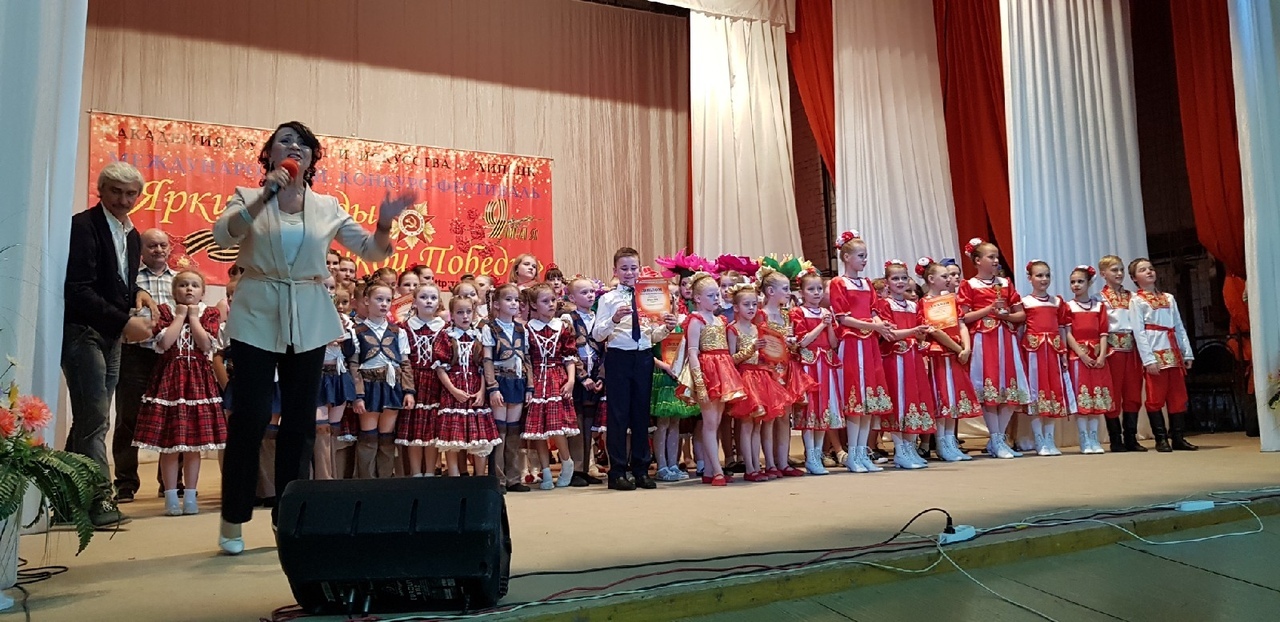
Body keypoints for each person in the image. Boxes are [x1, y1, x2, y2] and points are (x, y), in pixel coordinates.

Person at [211, 120, 415, 555]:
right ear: (269, 153)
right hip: (256, 310)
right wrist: (266, 194)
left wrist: (383, 224)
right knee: (251, 416)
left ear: (311, 158)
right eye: (285, 140)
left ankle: (289, 516)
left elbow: (372, 250)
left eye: (303, 143)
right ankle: (234, 516)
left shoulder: (326, 206)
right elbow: (223, 234)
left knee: (301, 420)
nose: (294, 147)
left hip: (307, 311)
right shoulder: (247, 196)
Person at [63, 161, 155, 528]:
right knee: (96, 419)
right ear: (100, 190)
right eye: (116, 191)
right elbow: (77, 289)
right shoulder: (82, 226)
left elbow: (116, 282)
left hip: (111, 336)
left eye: (131, 193)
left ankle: (66, 499)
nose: (124, 199)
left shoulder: (132, 235)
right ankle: (99, 501)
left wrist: (139, 292)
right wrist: (124, 321)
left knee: (90, 418)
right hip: (82, 331)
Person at [132, 270, 225, 516]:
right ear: (174, 291)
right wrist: (180, 316)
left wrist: (193, 318)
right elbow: (164, 343)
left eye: (194, 285)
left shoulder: (209, 313)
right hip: (170, 381)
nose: (189, 289)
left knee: (194, 445)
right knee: (170, 444)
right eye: (183, 285)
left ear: (202, 292)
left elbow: (206, 345)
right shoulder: (165, 312)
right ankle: (171, 496)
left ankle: (191, 495)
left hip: (198, 381)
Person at [590, 248, 677, 490]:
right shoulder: (608, 299)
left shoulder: (650, 297)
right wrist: (614, 319)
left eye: (633, 268)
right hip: (619, 358)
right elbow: (597, 334)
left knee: (641, 414)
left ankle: (641, 470)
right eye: (624, 268)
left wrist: (667, 328)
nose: (629, 273)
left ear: (640, 269)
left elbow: (651, 335)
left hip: (643, 357)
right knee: (618, 415)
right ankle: (617, 472)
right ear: (615, 271)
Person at [113, 228, 175, 503]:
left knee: (173, 418)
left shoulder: (180, 280)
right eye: (152, 245)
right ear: (141, 250)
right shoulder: (131, 280)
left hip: (170, 357)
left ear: (170, 248)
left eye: (163, 245)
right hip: (135, 356)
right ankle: (125, 483)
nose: (158, 250)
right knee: (129, 419)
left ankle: (171, 482)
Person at [956, 238, 1029, 459]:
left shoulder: (1006, 283)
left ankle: (997, 439)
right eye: (991, 257)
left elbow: (1021, 314)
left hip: (1005, 339)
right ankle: (997, 439)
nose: (996, 260)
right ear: (978, 260)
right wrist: (989, 310)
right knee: (990, 391)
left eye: (997, 257)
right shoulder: (969, 285)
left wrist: (1005, 316)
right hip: (983, 341)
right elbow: (963, 317)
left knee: (1009, 391)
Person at [828, 231, 893, 473]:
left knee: (869, 400)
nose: (865, 260)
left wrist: (881, 325)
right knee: (856, 397)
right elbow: (843, 318)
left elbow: (874, 311)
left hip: (869, 344)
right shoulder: (838, 283)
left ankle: (862, 452)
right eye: (861, 256)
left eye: (866, 256)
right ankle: (853, 453)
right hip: (852, 343)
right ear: (846, 257)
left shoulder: (866, 284)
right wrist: (874, 326)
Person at [684, 272, 746, 487]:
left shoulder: (720, 320)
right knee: (710, 423)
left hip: (723, 369)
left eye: (717, 295)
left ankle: (711, 470)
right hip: (708, 371)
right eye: (711, 296)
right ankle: (717, 470)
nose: (716, 299)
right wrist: (699, 382)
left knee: (716, 423)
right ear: (698, 298)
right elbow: (692, 351)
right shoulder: (696, 320)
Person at [1129, 258, 1197, 452]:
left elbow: (1178, 326)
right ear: (1134, 278)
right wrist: (1148, 359)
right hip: (1155, 352)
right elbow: (1139, 332)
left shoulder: (1168, 298)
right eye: (1143, 270)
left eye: (1150, 268)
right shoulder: (1137, 301)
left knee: (1177, 397)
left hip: (1173, 353)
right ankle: (1161, 438)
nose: (1149, 272)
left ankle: (1178, 437)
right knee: (1155, 397)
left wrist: (1187, 352)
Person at [875, 260, 937, 470]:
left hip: (912, 358)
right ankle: (900, 449)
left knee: (913, 399)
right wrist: (913, 332)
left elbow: (919, 330)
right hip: (894, 359)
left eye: (903, 278)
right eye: (895, 278)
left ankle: (910, 447)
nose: (900, 282)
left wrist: (923, 332)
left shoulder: (913, 305)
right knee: (899, 400)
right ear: (887, 282)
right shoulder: (885, 305)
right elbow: (889, 334)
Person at [349, 283, 415, 478]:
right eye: (379, 299)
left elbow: (405, 363)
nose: (384, 304)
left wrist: (408, 391)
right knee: (368, 436)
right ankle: (366, 481)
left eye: (388, 300)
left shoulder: (398, 332)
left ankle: (385, 481)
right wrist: (358, 395)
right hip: (369, 386)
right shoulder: (357, 332)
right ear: (366, 301)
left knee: (387, 437)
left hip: (391, 386)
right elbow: (354, 365)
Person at [917, 259, 980, 462]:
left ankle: (951, 442)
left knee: (953, 399)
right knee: (942, 398)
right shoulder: (925, 303)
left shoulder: (952, 300)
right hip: (939, 355)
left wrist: (967, 348)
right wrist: (958, 348)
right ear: (931, 279)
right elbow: (935, 331)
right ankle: (941, 443)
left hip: (955, 354)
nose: (948, 279)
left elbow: (961, 325)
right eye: (944, 276)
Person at [521, 283, 580, 490]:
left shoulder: (562, 327)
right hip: (536, 379)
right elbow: (526, 358)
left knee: (557, 426)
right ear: (534, 305)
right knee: (539, 429)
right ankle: (545, 471)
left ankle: (566, 461)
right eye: (545, 301)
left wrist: (571, 380)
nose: (551, 304)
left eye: (553, 300)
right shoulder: (527, 329)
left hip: (557, 378)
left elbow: (569, 356)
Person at [756, 265, 812, 479]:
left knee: (784, 417)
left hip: (786, 369)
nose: (789, 293)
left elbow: (790, 344)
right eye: (785, 289)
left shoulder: (786, 316)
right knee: (770, 417)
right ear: (771, 291)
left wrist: (792, 343)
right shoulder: (761, 315)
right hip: (769, 371)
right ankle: (769, 463)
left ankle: (783, 461)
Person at [434, 296, 502, 473]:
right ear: (452, 314)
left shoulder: (478, 335)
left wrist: (481, 391)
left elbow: (483, 367)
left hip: (474, 387)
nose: (465, 316)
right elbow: (440, 369)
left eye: (468, 312)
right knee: (452, 440)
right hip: (453, 389)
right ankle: (454, 476)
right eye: (459, 312)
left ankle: (479, 478)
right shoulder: (446, 335)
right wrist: (453, 390)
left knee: (479, 437)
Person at [790, 272, 841, 474]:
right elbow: (803, 342)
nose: (816, 292)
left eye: (819, 288)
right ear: (802, 292)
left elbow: (834, 343)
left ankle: (818, 454)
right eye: (811, 289)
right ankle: (810, 455)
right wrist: (822, 325)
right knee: (809, 410)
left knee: (822, 411)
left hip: (825, 363)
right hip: (808, 365)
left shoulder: (826, 312)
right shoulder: (798, 312)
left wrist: (829, 326)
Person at [1019, 261, 1071, 456]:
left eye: (1047, 275)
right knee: (1036, 392)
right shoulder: (1025, 302)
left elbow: (1062, 328)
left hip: (1053, 351)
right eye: (1039, 275)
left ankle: (1049, 438)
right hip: (1034, 352)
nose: (1044, 279)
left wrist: (1063, 353)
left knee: (1053, 393)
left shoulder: (1057, 302)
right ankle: (1039, 439)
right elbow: (1021, 330)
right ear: (1029, 278)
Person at [483, 284, 531, 492]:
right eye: (508, 299)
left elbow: (526, 358)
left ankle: (514, 478)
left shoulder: (521, 329)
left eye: (516, 300)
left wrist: (530, 386)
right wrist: (492, 387)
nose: (513, 303)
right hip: (500, 380)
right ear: (496, 304)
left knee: (513, 431)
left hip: (518, 381)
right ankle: (498, 479)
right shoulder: (490, 328)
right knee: (499, 431)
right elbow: (487, 360)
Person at [725, 284, 775, 482]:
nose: (751, 308)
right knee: (746, 425)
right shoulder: (733, 329)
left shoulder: (757, 328)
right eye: (746, 304)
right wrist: (751, 349)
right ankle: (749, 467)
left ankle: (756, 464)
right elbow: (731, 359)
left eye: (754, 304)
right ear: (736, 307)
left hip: (760, 377)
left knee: (757, 424)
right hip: (744, 377)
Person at [1098, 255, 1146, 452]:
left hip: (1132, 348)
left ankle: (1131, 438)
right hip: (1112, 350)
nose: (1119, 273)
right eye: (1114, 270)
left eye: (1121, 270)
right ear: (1103, 274)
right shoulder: (1099, 299)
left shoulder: (1133, 297)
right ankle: (1115, 439)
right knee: (1113, 393)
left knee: (1133, 392)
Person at [563, 277, 606, 486]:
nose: (590, 295)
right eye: (584, 292)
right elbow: (569, 350)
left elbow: (605, 349)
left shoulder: (599, 318)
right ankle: (576, 469)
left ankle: (586, 467)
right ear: (572, 298)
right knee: (577, 423)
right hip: (578, 379)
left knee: (589, 424)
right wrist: (582, 376)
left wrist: (601, 377)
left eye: (591, 292)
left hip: (595, 378)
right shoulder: (568, 319)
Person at [1065, 265, 1112, 454]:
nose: (1076, 285)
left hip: (1096, 354)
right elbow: (1067, 333)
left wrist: (1102, 355)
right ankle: (1084, 437)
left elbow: (1103, 332)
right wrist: (1081, 354)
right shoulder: (1068, 306)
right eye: (1073, 282)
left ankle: (1094, 437)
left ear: (1089, 283)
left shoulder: (1099, 306)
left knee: (1096, 397)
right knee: (1082, 396)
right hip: (1078, 356)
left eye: (1080, 281)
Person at [399, 283, 445, 476]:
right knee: (414, 431)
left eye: (433, 298)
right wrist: (408, 388)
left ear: (439, 302)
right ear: (414, 301)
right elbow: (404, 361)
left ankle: (430, 472)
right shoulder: (404, 328)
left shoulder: (444, 328)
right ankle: (417, 473)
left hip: (437, 382)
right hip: (415, 381)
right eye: (424, 297)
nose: (428, 301)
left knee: (432, 430)